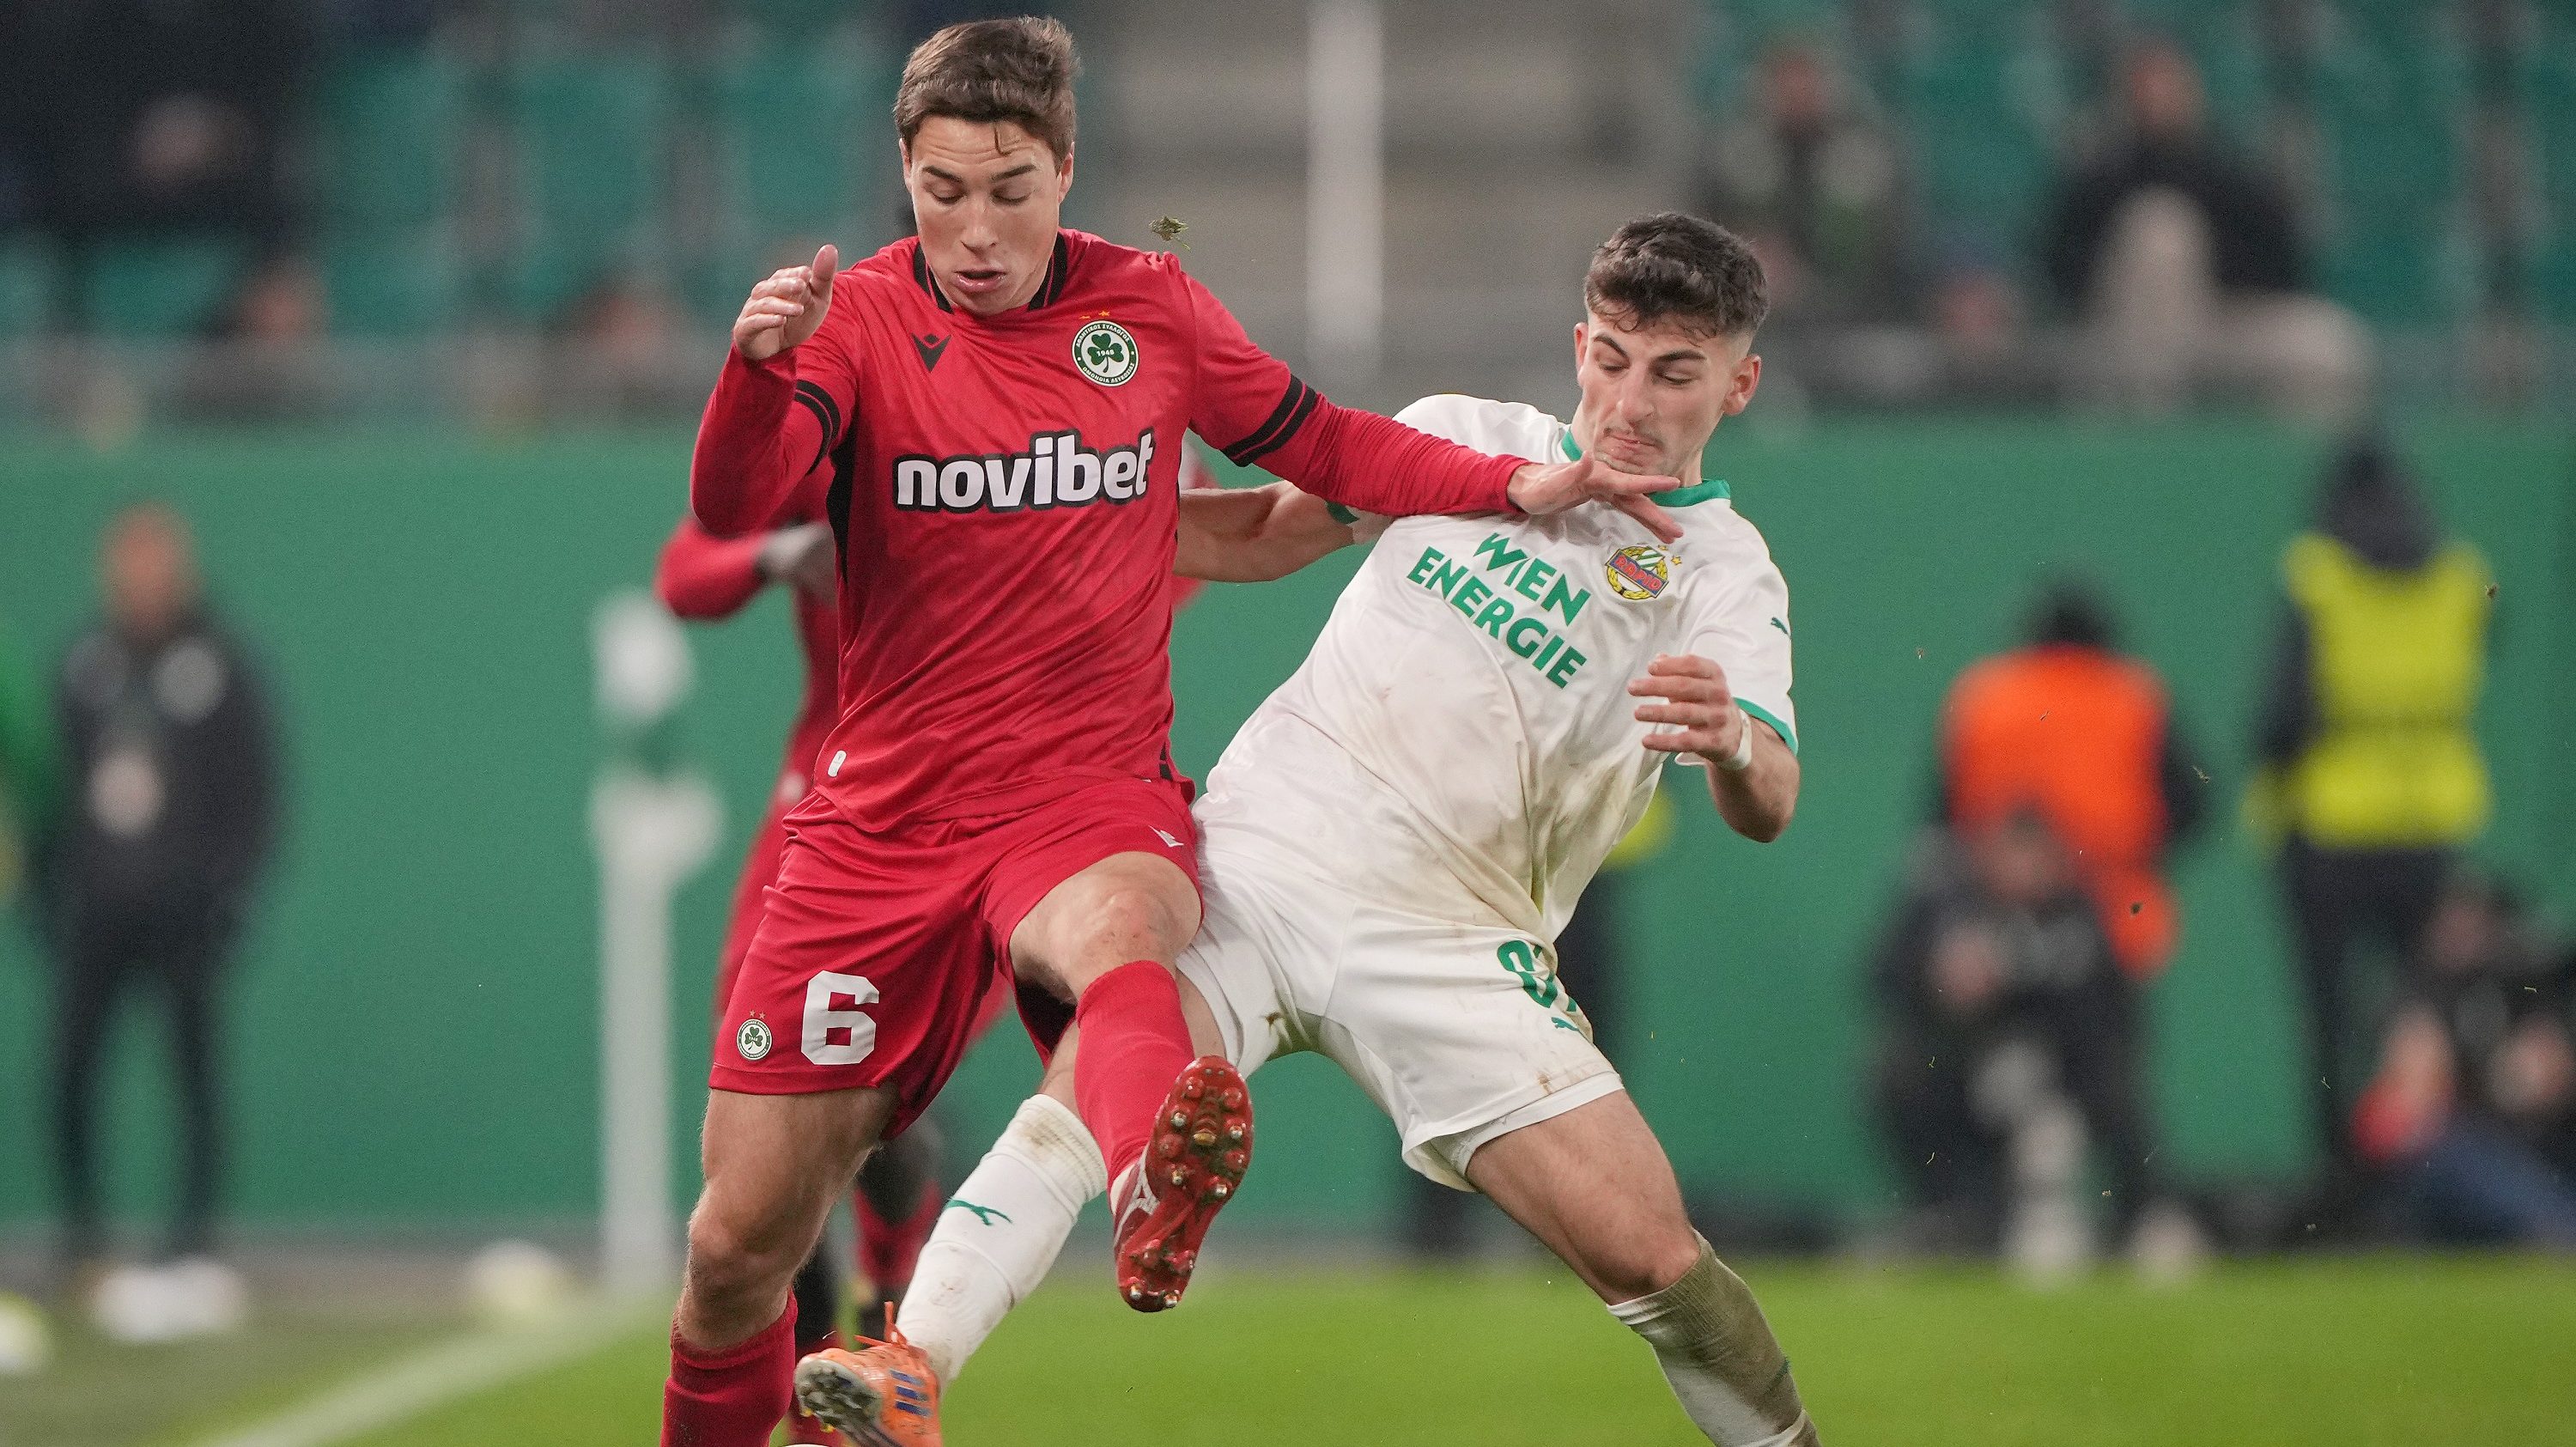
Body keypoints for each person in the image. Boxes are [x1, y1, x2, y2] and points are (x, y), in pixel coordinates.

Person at [662, 20, 1681, 1447]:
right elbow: (729, 510)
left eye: (1010, 189)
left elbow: (1323, 443)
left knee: (1125, 931)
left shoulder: (1148, 309)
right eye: (943, 191)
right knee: (734, 1252)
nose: (975, 228)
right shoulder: (857, 321)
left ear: (1068, 171)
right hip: (883, 821)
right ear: (905, 177)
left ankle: (1153, 1180)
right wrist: (752, 374)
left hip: (1082, 791)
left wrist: (1513, 483)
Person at [806, 213, 1823, 1447]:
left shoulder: (1724, 572)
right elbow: (1257, 533)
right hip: (1261, 860)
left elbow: (1772, 799)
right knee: (1092, 1086)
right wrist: (1023, 521)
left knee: (1656, 1257)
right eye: (1611, 359)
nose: (1631, 402)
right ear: (1579, 346)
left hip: (1456, 942)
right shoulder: (1462, 437)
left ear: (1738, 384)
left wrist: (1735, 742)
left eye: (1674, 374)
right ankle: (911, 1360)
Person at [37, 505, 277, 1292]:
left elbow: (252, 788)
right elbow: (52, 785)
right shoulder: (85, 664)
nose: (142, 577)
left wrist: (227, 891)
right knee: (72, 1069)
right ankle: (84, 1231)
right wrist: (49, 887)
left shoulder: (217, 663)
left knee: (193, 1070)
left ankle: (194, 1233)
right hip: (98, 906)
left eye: (155, 559)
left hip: (183, 908)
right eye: (129, 560)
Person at [2251, 438, 2493, 1186]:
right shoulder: (2460, 577)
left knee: (2330, 1019)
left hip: (2331, 825)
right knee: (2426, 1010)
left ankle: (2345, 1176)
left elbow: (2281, 716)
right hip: (2430, 827)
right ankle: (2437, 1166)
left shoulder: (2319, 576)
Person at [1870, 813, 2164, 1259]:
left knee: (2062, 1117)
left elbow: (2104, 1022)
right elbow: (1885, 976)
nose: (2020, 871)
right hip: (1969, 1079)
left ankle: (2141, 1217)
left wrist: (2014, 972)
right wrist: (1942, 977)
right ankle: (1956, 1215)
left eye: (2032, 858)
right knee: (1907, 1073)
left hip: (2064, 1089)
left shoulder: (2078, 913)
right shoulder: (1952, 906)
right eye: (2010, 856)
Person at [2038, 39, 2365, 418]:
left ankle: (2278, 455)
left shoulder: (2228, 171)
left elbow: (2283, 265)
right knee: (2161, 229)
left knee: (2329, 345)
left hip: (2220, 325)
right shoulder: (2098, 179)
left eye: (2169, 83)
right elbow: (2060, 271)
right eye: (2146, 85)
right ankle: (2153, 433)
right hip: (2123, 345)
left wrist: (2227, 279)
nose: (2159, 96)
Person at [1938, 579, 2206, 984]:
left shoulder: (1985, 694)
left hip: (1992, 922)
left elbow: (1944, 816)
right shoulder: (2134, 696)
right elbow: (2192, 807)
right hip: (2114, 917)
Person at [2352, 873, 2576, 1248]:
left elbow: (2549, 1072)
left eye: (2477, 914)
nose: (2464, 926)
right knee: (2461, 1147)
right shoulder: (2421, 989)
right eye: (2454, 913)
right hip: (2445, 1158)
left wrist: (2533, 1076)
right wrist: (2490, 1082)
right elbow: (2408, 1107)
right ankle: (2559, 1224)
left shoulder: (2519, 984)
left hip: (2528, 1141)